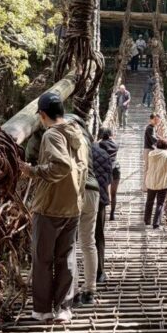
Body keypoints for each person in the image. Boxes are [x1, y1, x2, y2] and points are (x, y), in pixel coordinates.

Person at [20, 91, 88, 323]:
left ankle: (43, 310)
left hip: (49, 206)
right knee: (66, 258)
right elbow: (80, 168)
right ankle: (64, 308)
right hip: (73, 205)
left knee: (42, 259)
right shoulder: (77, 133)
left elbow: (61, 166)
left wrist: (32, 170)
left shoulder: (52, 135)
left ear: (42, 114)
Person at [66, 115, 101, 307]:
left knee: (70, 243)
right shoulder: (88, 140)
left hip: (74, 191)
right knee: (89, 243)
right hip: (93, 191)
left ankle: (74, 291)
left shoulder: (64, 136)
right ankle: (90, 290)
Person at [91, 134, 113, 286]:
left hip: (76, 199)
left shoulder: (73, 150)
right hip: (99, 198)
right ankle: (100, 272)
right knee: (98, 235)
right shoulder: (104, 154)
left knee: (73, 238)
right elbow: (109, 179)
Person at [144, 138, 167, 229]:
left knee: (149, 201)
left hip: (151, 181)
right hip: (163, 182)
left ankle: (147, 220)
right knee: (160, 203)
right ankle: (156, 223)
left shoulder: (151, 154)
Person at [98, 126, 120, 222]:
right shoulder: (116, 144)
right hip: (116, 168)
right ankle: (112, 214)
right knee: (113, 193)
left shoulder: (100, 144)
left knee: (104, 192)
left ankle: (103, 214)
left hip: (105, 169)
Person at [143, 112, 160, 182]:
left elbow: (155, 136)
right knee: (147, 168)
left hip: (150, 149)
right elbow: (153, 138)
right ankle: (145, 185)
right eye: (155, 119)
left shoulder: (152, 127)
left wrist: (162, 139)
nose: (157, 121)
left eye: (157, 120)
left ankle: (148, 184)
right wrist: (162, 142)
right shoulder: (150, 128)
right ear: (151, 120)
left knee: (149, 168)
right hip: (148, 150)